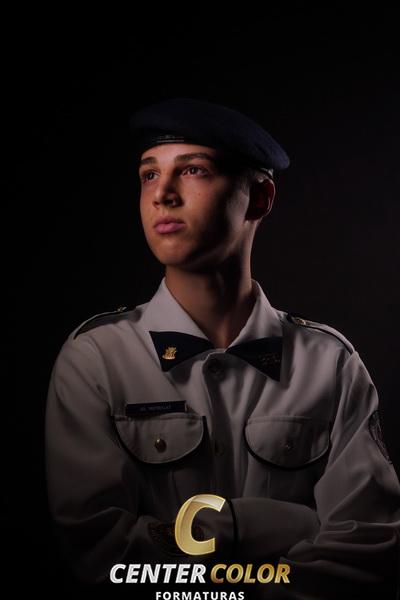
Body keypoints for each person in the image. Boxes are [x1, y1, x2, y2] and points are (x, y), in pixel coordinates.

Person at [45, 98, 400, 598]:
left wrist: (212, 540)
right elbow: (103, 555)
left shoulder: (330, 364)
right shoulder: (96, 359)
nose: (163, 195)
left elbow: (368, 547)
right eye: (149, 174)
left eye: (194, 170)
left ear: (259, 199)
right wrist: (277, 526)